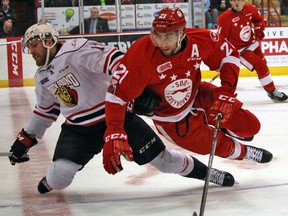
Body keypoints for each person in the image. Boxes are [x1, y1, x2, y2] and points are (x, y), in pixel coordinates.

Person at [8, 22, 236, 195]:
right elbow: (46, 110)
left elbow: (118, 62)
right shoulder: (42, 77)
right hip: (79, 129)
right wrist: (27, 138)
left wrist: (138, 88)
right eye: (28, 47)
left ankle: (208, 173)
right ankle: (58, 175)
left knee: (164, 161)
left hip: (115, 117)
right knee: (59, 178)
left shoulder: (76, 49)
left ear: (48, 40)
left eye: (33, 44)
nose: (31, 51)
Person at [102, 7, 274, 175]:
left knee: (250, 126)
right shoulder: (141, 53)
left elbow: (228, 54)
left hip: (198, 95)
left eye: (168, 36)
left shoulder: (198, 40)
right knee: (215, 145)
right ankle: (244, 152)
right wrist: (114, 131)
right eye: (157, 36)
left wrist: (227, 91)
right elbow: (116, 95)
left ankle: (225, 128)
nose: (162, 43)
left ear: (181, 33)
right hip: (170, 120)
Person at [217, 1, 288, 102]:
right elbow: (221, 40)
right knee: (260, 65)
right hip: (240, 50)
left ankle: (269, 90)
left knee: (263, 64)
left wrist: (259, 28)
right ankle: (273, 91)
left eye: (239, 0)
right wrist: (224, 56)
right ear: (230, 1)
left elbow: (259, 20)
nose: (237, 2)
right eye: (234, 0)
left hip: (252, 44)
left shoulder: (250, 9)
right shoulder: (224, 18)